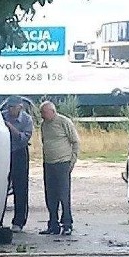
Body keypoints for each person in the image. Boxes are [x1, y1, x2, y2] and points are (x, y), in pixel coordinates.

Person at [39, 101, 80, 236]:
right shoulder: (44, 125)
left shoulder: (64, 122)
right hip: (48, 164)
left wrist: (72, 161)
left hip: (63, 163)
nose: (42, 116)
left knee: (64, 194)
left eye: (44, 113)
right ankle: (53, 224)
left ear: (52, 111)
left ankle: (67, 224)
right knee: (50, 195)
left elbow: (75, 142)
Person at [1, 95, 34, 232]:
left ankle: (19, 221)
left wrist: (9, 127)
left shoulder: (27, 120)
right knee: (1, 187)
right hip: (3, 151)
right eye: (8, 107)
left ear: (19, 107)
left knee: (21, 188)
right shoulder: (1, 115)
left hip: (19, 152)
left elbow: (23, 138)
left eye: (12, 107)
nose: (9, 110)